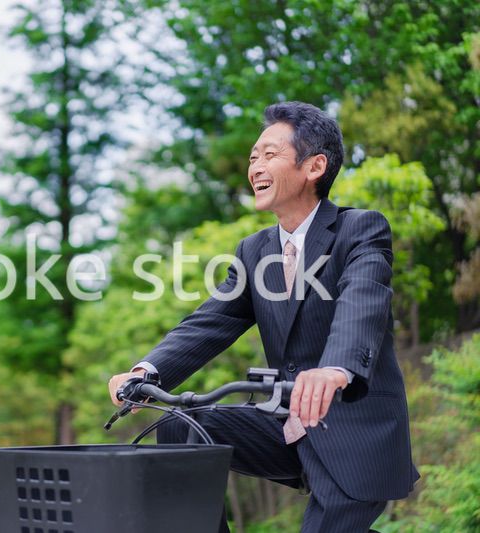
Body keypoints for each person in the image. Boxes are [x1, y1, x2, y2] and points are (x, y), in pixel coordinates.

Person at [108, 101, 418, 532]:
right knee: (183, 428)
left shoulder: (360, 230)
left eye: (270, 154)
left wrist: (335, 368)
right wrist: (146, 371)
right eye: (253, 156)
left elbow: (361, 301)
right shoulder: (254, 251)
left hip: (355, 434)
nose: (255, 165)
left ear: (314, 167)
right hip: (288, 426)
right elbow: (211, 321)